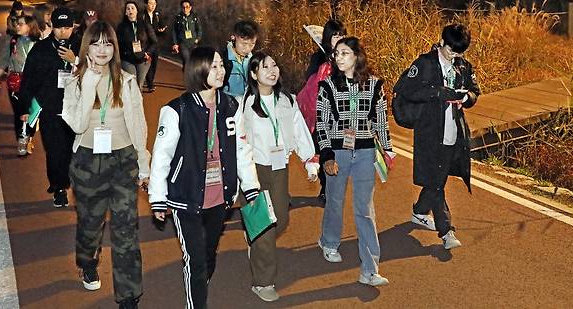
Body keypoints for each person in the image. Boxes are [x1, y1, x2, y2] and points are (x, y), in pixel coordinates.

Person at [148, 46, 260, 309]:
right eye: (215, 66)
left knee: (208, 254)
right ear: (199, 70)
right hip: (185, 195)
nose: (221, 71)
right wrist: (158, 198)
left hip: (220, 196)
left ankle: (198, 283)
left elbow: (241, 148)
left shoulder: (232, 106)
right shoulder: (177, 110)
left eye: (222, 65)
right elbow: (161, 157)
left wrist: (251, 186)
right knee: (195, 260)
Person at [61, 21, 150, 309]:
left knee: (126, 230)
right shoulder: (75, 81)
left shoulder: (126, 81)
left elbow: (138, 125)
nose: (102, 50)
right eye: (96, 43)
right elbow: (76, 123)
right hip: (88, 161)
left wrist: (143, 163)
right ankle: (87, 261)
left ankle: (128, 296)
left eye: (108, 43)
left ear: (115, 47)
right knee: (90, 223)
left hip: (123, 160)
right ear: (87, 47)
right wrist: (89, 82)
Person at [240, 51, 319, 302]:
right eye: (265, 67)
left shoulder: (287, 100)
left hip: (279, 167)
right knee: (264, 224)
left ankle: (257, 242)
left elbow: (299, 130)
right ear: (254, 74)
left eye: (274, 65)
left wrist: (309, 160)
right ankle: (263, 282)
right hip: (254, 169)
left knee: (281, 219)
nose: (272, 70)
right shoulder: (244, 104)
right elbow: (237, 141)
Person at [315, 36, 393, 287]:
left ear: (357, 56)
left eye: (345, 53)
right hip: (338, 152)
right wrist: (326, 155)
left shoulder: (375, 85)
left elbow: (380, 120)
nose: (338, 57)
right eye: (336, 53)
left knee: (365, 208)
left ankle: (370, 268)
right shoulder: (327, 85)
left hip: (366, 152)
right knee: (335, 201)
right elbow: (322, 123)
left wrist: (388, 150)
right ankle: (329, 241)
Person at [395, 23, 480, 249]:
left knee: (438, 179)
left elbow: (475, 91)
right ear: (442, 43)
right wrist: (437, 92)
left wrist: (466, 98)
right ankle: (446, 231)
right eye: (451, 51)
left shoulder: (463, 65)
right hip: (430, 131)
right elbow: (404, 89)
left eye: (459, 52)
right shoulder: (424, 63)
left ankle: (419, 211)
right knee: (436, 182)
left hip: (454, 131)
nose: (455, 56)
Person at [19, 6, 80, 207]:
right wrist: (25, 109)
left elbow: (96, 73)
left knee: (74, 151)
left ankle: (73, 183)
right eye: (59, 27)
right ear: (52, 26)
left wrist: (75, 61)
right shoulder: (40, 49)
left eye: (68, 27)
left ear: (73, 27)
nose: (63, 31)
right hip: (50, 110)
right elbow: (27, 81)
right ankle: (59, 187)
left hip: (77, 109)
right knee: (54, 151)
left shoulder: (82, 47)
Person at [301, 19, 346, 201]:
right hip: (321, 112)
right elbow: (310, 82)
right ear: (328, 37)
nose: (339, 38)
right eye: (335, 35)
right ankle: (326, 186)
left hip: (342, 112)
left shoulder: (347, 54)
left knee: (339, 150)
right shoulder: (319, 57)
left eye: (342, 34)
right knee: (324, 150)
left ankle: (332, 185)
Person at [0, 15, 41, 156]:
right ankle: (21, 140)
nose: (17, 26)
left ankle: (29, 138)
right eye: (17, 24)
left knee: (32, 113)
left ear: (30, 26)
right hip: (15, 82)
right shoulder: (12, 41)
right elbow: (4, 60)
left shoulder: (39, 44)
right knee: (19, 114)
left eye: (21, 24)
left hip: (33, 83)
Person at [116, 1, 157, 89]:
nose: (130, 10)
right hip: (127, 60)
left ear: (137, 11)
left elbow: (154, 41)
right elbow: (117, 44)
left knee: (139, 85)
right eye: (128, 9)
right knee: (132, 84)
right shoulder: (121, 27)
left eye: (132, 8)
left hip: (143, 59)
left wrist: (148, 52)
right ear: (126, 12)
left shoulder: (144, 25)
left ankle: (138, 102)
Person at [221, 20, 259, 97]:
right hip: (228, 104)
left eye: (252, 44)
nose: (248, 49)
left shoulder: (254, 60)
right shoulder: (222, 59)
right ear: (233, 38)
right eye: (244, 44)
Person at [143, 0, 167, 92]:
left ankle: (150, 82)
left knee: (154, 63)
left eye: (154, 4)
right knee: (147, 62)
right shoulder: (142, 15)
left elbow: (163, 27)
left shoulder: (157, 15)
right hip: (146, 43)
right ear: (146, 4)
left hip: (156, 43)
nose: (152, 6)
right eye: (150, 3)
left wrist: (162, 30)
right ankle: (150, 84)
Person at [171, 0, 202, 66]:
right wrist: (175, 43)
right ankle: (186, 74)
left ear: (190, 7)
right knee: (186, 59)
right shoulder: (178, 18)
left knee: (194, 61)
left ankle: (190, 74)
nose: (185, 9)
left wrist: (197, 39)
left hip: (193, 43)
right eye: (183, 7)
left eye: (187, 7)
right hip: (183, 43)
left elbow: (199, 29)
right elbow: (174, 31)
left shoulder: (195, 17)